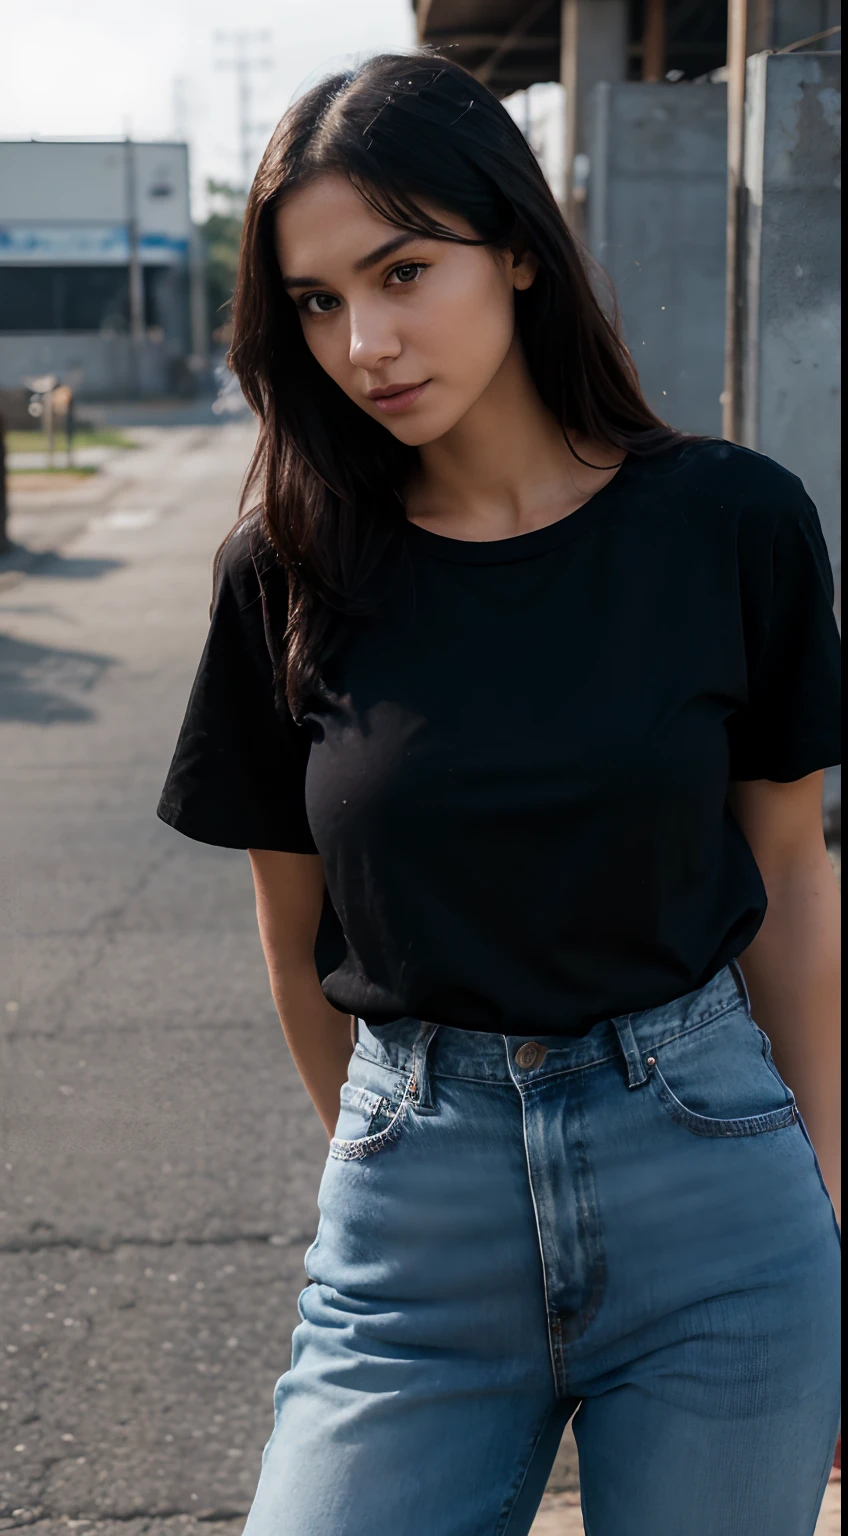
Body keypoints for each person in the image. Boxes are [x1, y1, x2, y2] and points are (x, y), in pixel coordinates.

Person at [157, 52, 841, 1536]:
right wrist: (398, 1157)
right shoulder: (284, 575)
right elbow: (295, 939)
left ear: (519, 248)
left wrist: (830, 1201)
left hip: (716, 1192)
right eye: (321, 302)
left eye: (404, 271)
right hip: (418, 1233)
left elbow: (787, 873)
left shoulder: (733, 525)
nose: (366, 342)